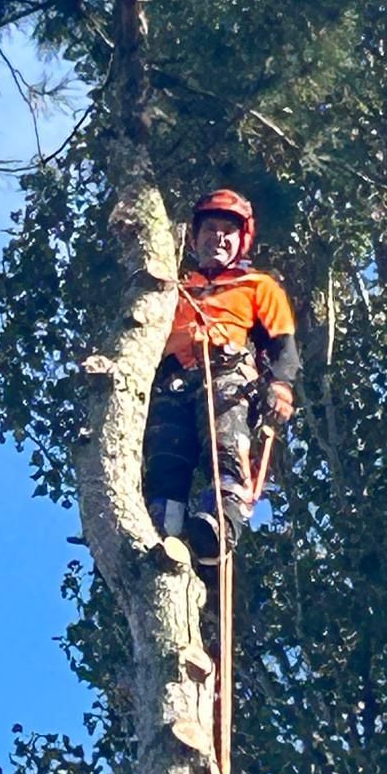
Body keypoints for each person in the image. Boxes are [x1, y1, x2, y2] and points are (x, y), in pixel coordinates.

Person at [144, 189, 299, 566]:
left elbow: (283, 344)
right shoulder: (173, 288)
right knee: (166, 458)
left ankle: (218, 523)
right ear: (194, 238)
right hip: (174, 381)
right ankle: (162, 527)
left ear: (240, 242)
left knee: (225, 443)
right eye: (210, 229)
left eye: (228, 232)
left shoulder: (257, 286)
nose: (218, 237)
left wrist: (280, 386)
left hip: (226, 374)